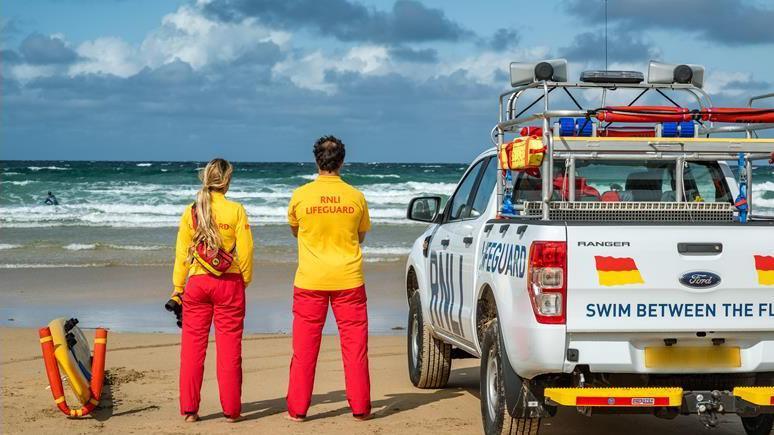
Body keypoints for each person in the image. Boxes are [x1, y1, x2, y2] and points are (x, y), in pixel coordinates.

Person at [286, 136, 372, 421]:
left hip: (311, 280)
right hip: (349, 279)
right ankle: (360, 409)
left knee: (304, 351)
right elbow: (359, 236)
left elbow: (296, 230)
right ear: (342, 161)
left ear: (316, 161)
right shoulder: (356, 196)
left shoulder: (301, 195)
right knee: (355, 349)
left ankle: (298, 410)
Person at [165, 158, 253, 423]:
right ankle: (231, 411)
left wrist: (178, 288)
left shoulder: (191, 211)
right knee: (229, 349)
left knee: (192, 349)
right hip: (229, 284)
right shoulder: (236, 210)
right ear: (226, 181)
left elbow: (182, 254)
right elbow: (246, 251)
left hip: (197, 284)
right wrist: (243, 279)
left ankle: (190, 410)